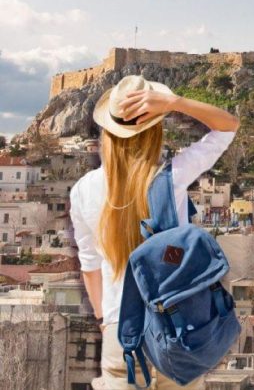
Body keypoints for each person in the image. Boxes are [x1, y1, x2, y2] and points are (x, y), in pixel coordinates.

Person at [70, 75, 239, 389]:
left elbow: (90, 266)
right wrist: (175, 103)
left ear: (108, 131)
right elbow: (227, 126)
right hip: (177, 329)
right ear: (154, 131)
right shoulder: (172, 179)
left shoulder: (83, 190)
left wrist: (105, 320)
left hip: (121, 334)